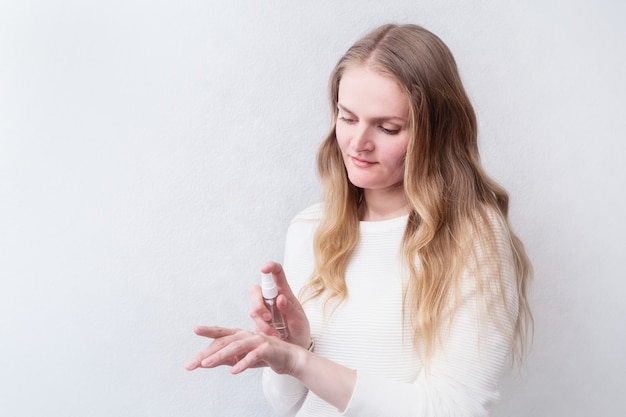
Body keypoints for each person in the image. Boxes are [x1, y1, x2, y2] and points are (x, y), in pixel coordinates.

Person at [185, 23, 532, 417]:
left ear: (435, 133)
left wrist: (303, 362)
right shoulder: (310, 229)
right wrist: (292, 348)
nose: (357, 143)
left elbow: (457, 408)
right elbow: (286, 404)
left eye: (387, 127)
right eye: (347, 118)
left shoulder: (474, 237)